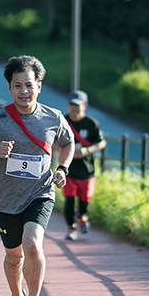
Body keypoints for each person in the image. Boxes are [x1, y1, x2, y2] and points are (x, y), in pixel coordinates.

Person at [0, 55, 74, 296]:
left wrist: (63, 168)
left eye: (29, 85)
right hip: (6, 200)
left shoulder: (53, 118)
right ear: (9, 87)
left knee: (33, 244)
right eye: (17, 86)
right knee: (14, 257)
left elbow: (68, 142)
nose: (23, 91)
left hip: (40, 193)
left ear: (39, 86)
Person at [62, 90, 106, 241]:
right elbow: (52, 143)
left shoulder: (91, 124)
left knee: (84, 203)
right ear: (68, 105)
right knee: (68, 200)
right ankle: (71, 229)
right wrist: (69, 151)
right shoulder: (62, 121)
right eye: (71, 105)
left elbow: (101, 142)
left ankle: (81, 215)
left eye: (77, 105)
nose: (74, 108)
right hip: (67, 170)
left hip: (87, 171)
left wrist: (87, 150)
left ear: (85, 106)